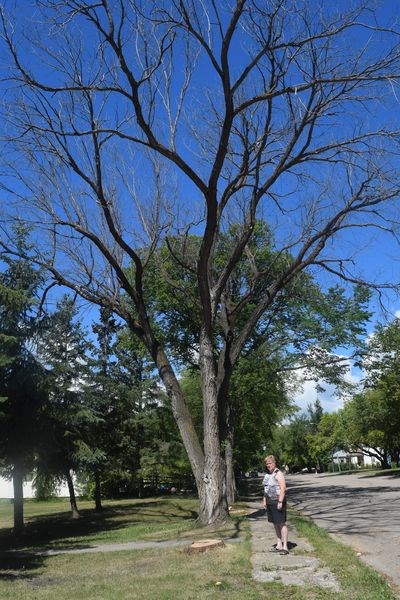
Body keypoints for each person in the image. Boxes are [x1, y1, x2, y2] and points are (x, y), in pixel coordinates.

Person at [262, 454, 289, 555]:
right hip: (270, 502)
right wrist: (264, 499)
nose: (268, 465)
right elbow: (266, 489)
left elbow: (283, 488)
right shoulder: (267, 474)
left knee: (281, 523)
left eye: (269, 463)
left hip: (278, 501)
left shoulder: (279, 473)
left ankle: (285, 546)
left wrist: (280, 501)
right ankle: (279, 544)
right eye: (267, 464)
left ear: (274, 463)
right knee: (275, 523)